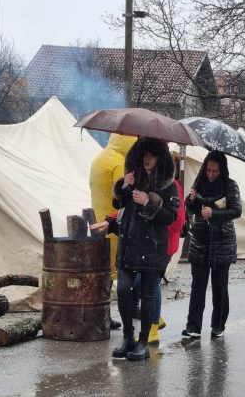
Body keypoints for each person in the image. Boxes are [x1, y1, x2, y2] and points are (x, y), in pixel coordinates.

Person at [92, 137, 179, 361]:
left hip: (152, 248)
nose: (147, 159)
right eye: (144, 155)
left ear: (160, 158)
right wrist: (125, 186)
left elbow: (171, 217)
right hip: (129, 246)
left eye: (152, 155)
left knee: (147, 295)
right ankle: (127, 337)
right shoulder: (134, 179)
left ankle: (142, 341)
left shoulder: (167, 185)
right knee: (123, 291)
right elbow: (121, 209)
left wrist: (149, 202)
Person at [182, 151, 242, 339]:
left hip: (222, 241)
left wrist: (214, 213)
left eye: (215, 171)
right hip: (200, 240)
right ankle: (193, 326)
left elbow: (236, 210)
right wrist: (190, 200)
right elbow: (190, 209)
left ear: (221, 170)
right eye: (208, 170)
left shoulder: (230, 185)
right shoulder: (199, 183)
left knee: (220, 287)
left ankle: (218, 325)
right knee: (197, 286)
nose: (211, 174)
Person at [131, 151, 186, 345]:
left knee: (151, 285)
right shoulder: (147, 182)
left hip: (164, 244)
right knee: (139, 284)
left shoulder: (173, 187)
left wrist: (156, 220)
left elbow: (177, 220)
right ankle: (156, 318)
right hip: (149, 244)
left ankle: (153, 327)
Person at [89, 133, 137, 330]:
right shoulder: (120, 163)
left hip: (97, 221)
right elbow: (124, 198)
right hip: (114, 224)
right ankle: (106, 315)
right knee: (113, 273)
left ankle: (102, 314)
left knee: (102, 271)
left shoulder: (100, 158)